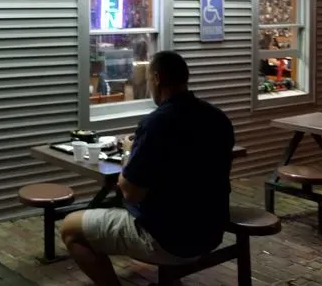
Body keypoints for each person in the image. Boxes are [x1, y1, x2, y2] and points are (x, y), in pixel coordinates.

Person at [61, 50, 235, 286]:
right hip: (211, 230)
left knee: (70, 228)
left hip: (170, 239)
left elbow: (131, 192)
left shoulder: (156, 124)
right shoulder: (218, 118)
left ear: (157, 79)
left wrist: (129, 153)